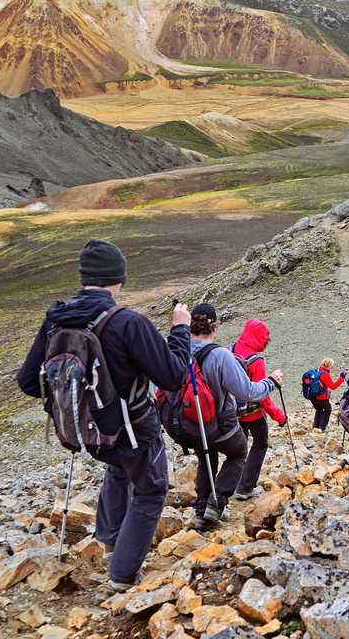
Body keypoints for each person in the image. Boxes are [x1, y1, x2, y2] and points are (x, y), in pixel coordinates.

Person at [17, 238, 191, 592]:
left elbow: (28, 382)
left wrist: (74, 398)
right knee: (151, 491)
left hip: (89, 431)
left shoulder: (55, 321)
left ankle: (111, 543)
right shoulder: (127, 322)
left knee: (117, 469)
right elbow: (173, 376)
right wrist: (180, 330)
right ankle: (123, 575)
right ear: (118, 279)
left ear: (85, 278)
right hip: (132, 429)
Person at [184, 304, 282, 526]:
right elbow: (248, 391)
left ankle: (201, 511)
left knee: (206, 458)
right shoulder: (221, 355)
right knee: (238, 453)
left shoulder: (181, 350)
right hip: (217, 420)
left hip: (190, 422)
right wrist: (271, 382)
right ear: (214, 327)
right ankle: (216, 503)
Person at [230, 318, 287, 500]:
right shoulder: (256, 361)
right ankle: (245, 488)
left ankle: (231, 484)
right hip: (253, 413)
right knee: (260, 443)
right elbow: (261, 395)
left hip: (231, 411)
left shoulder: (228, 350)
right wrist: (279, 416)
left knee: (239, 447)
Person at [311, 357, 345, 432]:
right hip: (321, 397)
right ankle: (322, 428)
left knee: (319, 410)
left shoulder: (317, 370)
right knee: (328, 410)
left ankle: (315, 427)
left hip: (313, 397)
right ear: (329, 365)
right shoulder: (324, 374)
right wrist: (341, 378)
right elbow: (333, 386)